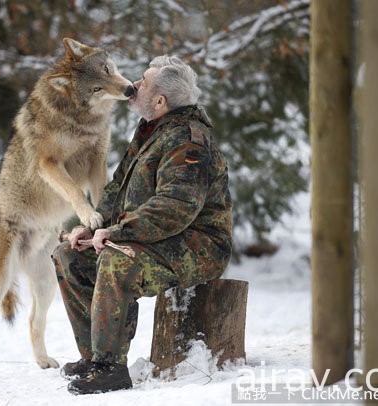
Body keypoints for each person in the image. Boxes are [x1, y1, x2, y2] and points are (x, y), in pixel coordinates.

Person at [51, 55, 233, 395]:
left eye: (144, 83)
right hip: (155, 238)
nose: (134, 86)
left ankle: (110, 368)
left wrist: (117, 233)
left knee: (118, 260)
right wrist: (91, 227)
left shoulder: (188, 140)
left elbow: (174, 208)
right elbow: (116, 190)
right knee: (68, 255)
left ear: (161, 101)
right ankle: (93, 358)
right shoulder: (151, 129)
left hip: (198, 246)